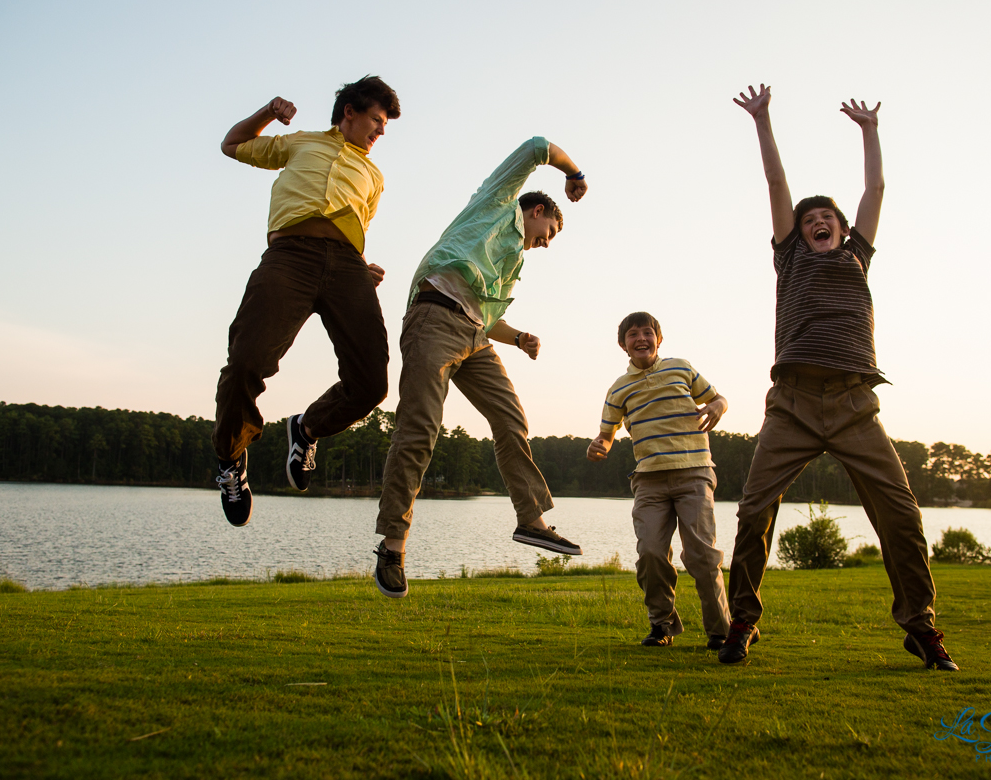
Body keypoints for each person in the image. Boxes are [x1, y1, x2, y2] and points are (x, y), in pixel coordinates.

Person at [721, 84, 957, 671]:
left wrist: (870, 131)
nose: (818, 222)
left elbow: (875, 189)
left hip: (855, 405)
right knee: (754, 511)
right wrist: (762, 120)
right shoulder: (790, 256)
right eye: (809, 220)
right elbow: (776, 183)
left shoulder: (857, 255)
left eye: (827, 217)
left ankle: (921, 627)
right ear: (797, 232)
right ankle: (743, 621)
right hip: (793, 403)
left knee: (901, 516)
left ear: (844, 230)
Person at [372, 137, 588, 598]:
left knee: (512, 420)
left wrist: (519, 337)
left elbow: (488, 320)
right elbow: (537, 147)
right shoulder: (497, 204)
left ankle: (531, 520)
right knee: (420, 429)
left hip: (474, 336)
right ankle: (393, 547)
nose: (545, 243)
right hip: (435, 317)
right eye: (549, 232)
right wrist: (574, 174)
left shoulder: (512, 265)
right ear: (536, 211)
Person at [213, 76, 401, 526]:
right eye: (377, 120)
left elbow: (356, 224)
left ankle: (307, 427)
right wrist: (267, 112)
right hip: (290, 258)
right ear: (350, 112)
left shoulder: (374, 176)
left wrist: (360, 268)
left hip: (348, 269)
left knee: (371, 384)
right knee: (246, 361)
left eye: (385, 126)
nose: (381, 131)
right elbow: (231, 144)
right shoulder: (300, 143)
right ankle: (231, 459)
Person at [588, 312, 731, 650]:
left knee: (701, 555)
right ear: (623, 345)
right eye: (633, 334)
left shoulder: (681, 368)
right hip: (649, 479)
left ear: (659, 339)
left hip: (694, 472)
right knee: (651, 553)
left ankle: (721, 631)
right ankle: (661, 625)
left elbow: (718, 399)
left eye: (647, 332)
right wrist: (599, 446)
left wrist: (718, 407)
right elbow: (606, 434)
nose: (641, 338)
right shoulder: (618, 388)